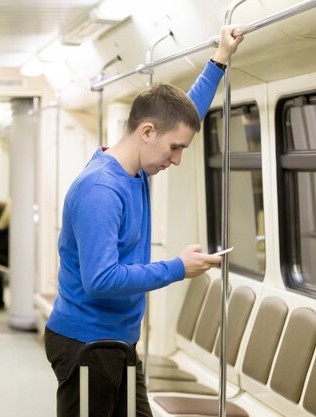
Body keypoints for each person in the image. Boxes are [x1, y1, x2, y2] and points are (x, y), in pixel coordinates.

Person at [44, 25, 244, 417]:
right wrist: (176, 269)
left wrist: (220, 59)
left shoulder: (138, 170)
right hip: (87, 344)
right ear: (147, 132)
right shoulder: (101, 190)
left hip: (117, 341)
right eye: (174, 149)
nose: (176, 159)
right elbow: (100, 280)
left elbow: (186, 113)